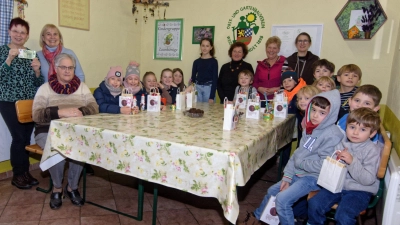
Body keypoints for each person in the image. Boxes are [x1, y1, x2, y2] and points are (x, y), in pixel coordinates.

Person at [239, 90, 344, 225]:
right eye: (314, 110)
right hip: (299, 173)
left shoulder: (332, 134)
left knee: (282, 200)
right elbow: (298, 153)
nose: (315, 115)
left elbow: (324, 164)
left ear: (331, 114)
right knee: (272, 191)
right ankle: (258, 217)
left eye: (322, 113)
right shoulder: (310, 128)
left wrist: (301, 163)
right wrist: (287, 176)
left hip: (313, 177)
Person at [32, 53, 99, 209]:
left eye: (71, 68)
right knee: (58, 149)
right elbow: (36, 115)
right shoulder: (45, 88)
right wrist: (61, 112)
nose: (67, 71)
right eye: (64, 67)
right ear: (56, 68)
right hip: (48, 131)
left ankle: (72, 187)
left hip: (76, 131)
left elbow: (94, 108)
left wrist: (80, 111)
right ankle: (57, 188)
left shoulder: (82, 87)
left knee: (80, 147)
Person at [308, 108, 381, 225]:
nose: (355, 133)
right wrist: (335, 159)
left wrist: (352, 162)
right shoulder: (341, 143)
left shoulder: (372, 150)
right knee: (314, 204)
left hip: (360, 191)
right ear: (346, 127)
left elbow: (368, 180)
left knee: (343, 215)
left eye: (362, 129)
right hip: (336, 186)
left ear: (372, 133)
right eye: (352, 127)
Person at [0, 17, 44, 189]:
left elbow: (37, 84)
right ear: (9, 32)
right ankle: (18, 174)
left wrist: (37, 70)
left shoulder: (30, 53)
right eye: (15, 31)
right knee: (18, 137)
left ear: (27, 35)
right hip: (8, 101)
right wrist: (8, 60)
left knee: (26, 138)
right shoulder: (3, 51)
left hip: (28, 102)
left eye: (23, 32)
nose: (19, 35)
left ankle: (25, 173)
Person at [253, 36, 287, 100]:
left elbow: (289, 83)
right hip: (261, 100)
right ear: (266, 49)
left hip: (278, 101)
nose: (271, 50)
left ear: (278, 50)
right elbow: (254, 82)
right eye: (269, 47)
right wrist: (259, 88)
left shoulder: (284, 63)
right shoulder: (261, 65)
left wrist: (276, 89)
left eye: (274, 48)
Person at [190, 38, 218, 103]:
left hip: (208, 88)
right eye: (203, 45)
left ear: (211, 47)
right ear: (200, 46)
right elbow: (193, 78)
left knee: (208, 110)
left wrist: (211, 96)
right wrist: (192, 90)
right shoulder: (196, 62)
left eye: (207, 46)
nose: (204, 48)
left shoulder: (214, 62)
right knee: (197, 109)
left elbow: (215, 79)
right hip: (198, 88)